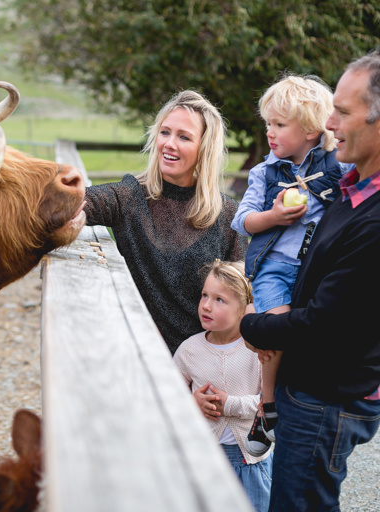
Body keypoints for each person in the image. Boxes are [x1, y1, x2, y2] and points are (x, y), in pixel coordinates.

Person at [240, 51, 380, 512]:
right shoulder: (351, 190)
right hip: (312, 386)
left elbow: (327, 320)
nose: (331, 124)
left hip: (326, 394)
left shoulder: (369, 212)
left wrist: (252, 326)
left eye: (341, 111)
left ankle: (266, 409)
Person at [230, 74, 352, 457]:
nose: (269, 132)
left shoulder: (337, 168)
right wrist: (275, 216)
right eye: (268, 123)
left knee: (310, 334)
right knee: (275, 329)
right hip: (275, 268)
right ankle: (267, 409)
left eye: (280, 125)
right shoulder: (266, 172)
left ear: (313, 129)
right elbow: (242, 220)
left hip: (316, 269)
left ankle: (302, 404)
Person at [84, 90, 247, 355]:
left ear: (204, 147)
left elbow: (242, 301)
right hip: (141, 357)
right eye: (164, 132)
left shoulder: (227, 214)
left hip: (205, 366)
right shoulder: (129, 197)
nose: (169, 144)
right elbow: (72, 203)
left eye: (183, 137)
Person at [173, 260, 272, 512]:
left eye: (219, 300)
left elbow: (270, 402)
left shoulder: (257, 350)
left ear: (243, 308)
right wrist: (190, 402)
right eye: (205, 295)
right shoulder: (189, 350)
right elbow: (167, 397)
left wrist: (231, 404)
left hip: (251, 461)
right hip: (203, 457)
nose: (206, 305)